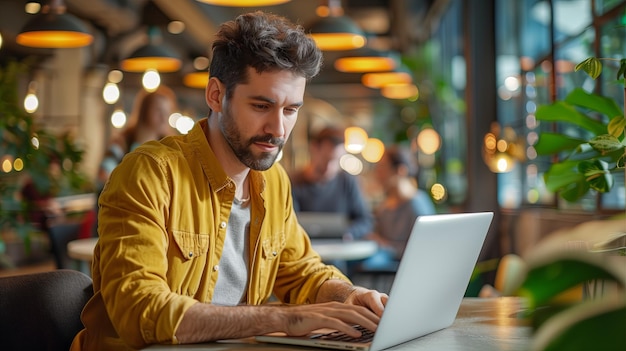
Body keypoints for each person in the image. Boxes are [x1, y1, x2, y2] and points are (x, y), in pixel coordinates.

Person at [71, 11, 387, 351]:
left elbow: (300, 270)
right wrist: (280, 318)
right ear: (216, 96)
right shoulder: (149, 174)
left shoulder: (273, 181)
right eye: (262, 105)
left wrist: (350, 295)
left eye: (291, 110)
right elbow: (139, 310)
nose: (279, 130)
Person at [290, 126, 374, 241]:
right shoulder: (293, 181)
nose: (329, 167)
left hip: (339, 251)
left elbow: (365, 220)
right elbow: (289, 221)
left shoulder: (348, 181)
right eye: (325, 159)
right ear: (313, 148)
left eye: (335, 160)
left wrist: (349, 233)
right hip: (302, 248)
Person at [360, 145, 436, 271]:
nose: (378, 173)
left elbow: (424, 247)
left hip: (406, 266)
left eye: (383, 167)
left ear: (401, 170)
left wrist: (386, 245)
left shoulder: (416, 204)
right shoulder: (384, 206)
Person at [97, 84, 177, 185]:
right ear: (144, 110)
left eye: (167, 112)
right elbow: (103, 174)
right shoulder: (122, 143)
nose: (163, 117)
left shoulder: (169, 148)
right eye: (158, 110)